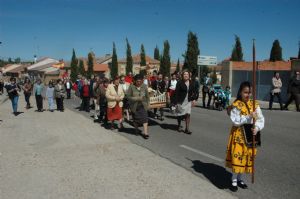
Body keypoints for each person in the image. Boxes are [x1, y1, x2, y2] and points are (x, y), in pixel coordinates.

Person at [225, 81, 265, 192]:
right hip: (239, 135)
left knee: (246, 158)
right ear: (241, 92)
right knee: (238, 157)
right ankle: (233, 179)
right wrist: (248, 117)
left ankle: (240, 179)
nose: (248, 95)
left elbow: (261, 119)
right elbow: (235, 121)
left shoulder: (255, 105)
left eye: (250, 92)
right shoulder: (236, 104)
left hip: (250, 136)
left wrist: (257, 128)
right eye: (245, 92)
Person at [127, 74, 150, 139]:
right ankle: (136, 130)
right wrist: (137, 98)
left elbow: (147, 96)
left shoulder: (144, 86)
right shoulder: (131, 87)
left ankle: (145, 133)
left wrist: (148, 104)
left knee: (145, 118)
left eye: (140, 81)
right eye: (137, 81)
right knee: (136, 120)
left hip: (143, 105)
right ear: (135, 81)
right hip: (134, 106)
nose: (139, 83)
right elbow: (128, 97)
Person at [175, 70, 197, 134]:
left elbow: (195, 92)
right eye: (184, 74)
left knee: (188, 114)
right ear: (182, 75)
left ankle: (187, 129)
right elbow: (176, 93)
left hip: (188, 101)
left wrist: (194, 99)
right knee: (179, 114)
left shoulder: (191, 82)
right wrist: (176, 102)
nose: (186, 75)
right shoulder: (179, 82)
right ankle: (179, 125)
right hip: (181, 101)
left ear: (189, 75)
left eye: (187, 74)